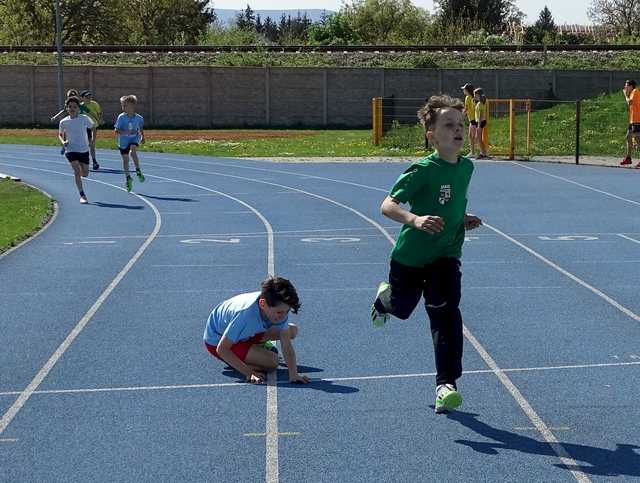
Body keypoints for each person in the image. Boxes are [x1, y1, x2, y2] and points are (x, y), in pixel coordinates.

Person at [369, 94, 482, 414]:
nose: (458, 130)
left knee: (446, 314)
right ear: (431, 135)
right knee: (402, 309)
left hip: (446, 253)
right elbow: (387, 206)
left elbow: (450, 202)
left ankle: (446, 384)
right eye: (449, 125)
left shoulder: (467, 167)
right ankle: (384, 299)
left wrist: (462, 218)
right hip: (410, 256)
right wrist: (415, 219)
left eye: (461, 124)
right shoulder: (421, 170)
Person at [203, 276, 309, 384]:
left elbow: (286, 345)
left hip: (246, 333)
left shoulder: (277, 307)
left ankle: (253, 349)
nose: (283, 316)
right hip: (217, 341)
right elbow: (222, 349)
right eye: (279, 312)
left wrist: (294, 374)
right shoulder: (245, 315)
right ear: (262, 304)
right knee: (272, 362)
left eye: (287, 311)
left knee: (292, 330)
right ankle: (241, 360)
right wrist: (250, 373)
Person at [58, 96, 95, 204]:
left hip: (83, 149)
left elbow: (92, 128)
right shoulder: (63, 122)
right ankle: (82, 195)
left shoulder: (84, 118)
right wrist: (63, 142)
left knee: (85, 174)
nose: (72, 108)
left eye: (74, 106)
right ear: (67, 108)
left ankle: (79, 166)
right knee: (77, 171)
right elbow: (60, 134)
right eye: (70, 107)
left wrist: (92, 139)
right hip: (71, 149)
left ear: (78, 108)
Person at [114, 95, 145, 192]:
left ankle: (138, 170)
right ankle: (128, 177)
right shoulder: (121, 117)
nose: (123, 107)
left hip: (134, 139)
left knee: (133, 150)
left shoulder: (139, 118)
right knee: (125, 160)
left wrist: (143, 136)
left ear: (132, 106)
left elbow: (140, 128)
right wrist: (124, 132)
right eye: (122, 105)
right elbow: (116, 130)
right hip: (123, 141)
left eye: (125, 105)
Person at [79, 90, 103, 170]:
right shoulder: (80, 106)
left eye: (89, 96)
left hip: (93, 126)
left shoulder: (94, 104)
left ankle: (94, 161)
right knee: (85, 145)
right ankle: (83, 161)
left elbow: (99, 113)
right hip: (84, 128)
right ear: (82, 98)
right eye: (86, 97)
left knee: (92, 144)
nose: (89, 98)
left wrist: (99, 119)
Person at [621, 79, 640, 168]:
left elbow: (629, 102)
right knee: (628, 137)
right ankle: (628, 158)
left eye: (626, 85)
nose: (625, 87)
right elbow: (630, 105)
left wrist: (625, 94)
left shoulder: (635, 91)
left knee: (637, 140)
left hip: (637, 120)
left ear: (631, 86)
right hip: (633, 120)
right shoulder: (632, 93)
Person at [461, 83, 477, 157]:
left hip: (474, 120)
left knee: (473, 136)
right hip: (473, 119)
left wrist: (461, 116)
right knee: (471, 136)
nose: (463, 90)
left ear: (467, 90)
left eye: (464, 89)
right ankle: (473, 152)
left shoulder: (468, 98)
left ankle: (475, 152)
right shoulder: (473, 97)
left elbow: (466, 109)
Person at [473, 87, 489, 159]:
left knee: (478, 138)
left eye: (475, 95)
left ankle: (483, 153)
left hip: (480, 122)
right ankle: (483, 153)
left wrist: (479, 125)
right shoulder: (479, 103)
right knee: (478, 138)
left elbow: (480, 115)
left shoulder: (480, 104)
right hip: (479, 121)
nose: (474, 96)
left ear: (479, 95)